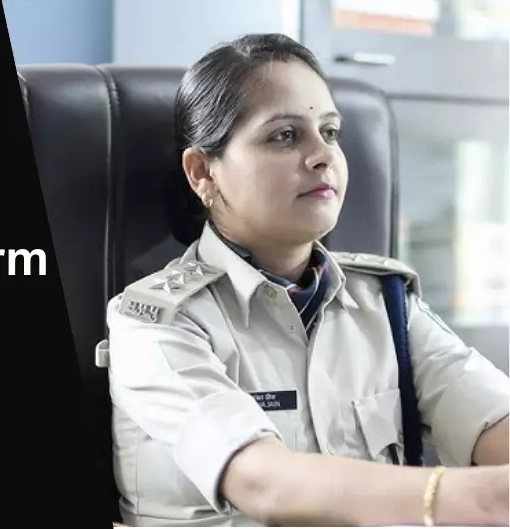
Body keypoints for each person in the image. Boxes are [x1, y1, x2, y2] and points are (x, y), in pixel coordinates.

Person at [100, 33, 510, 527]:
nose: (324, 156)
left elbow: (495, 422)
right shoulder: (153, 323)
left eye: (331, 132)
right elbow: (264, 483)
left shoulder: (386, 304)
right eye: (284, 136)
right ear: (202, 172)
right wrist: (473, 500)